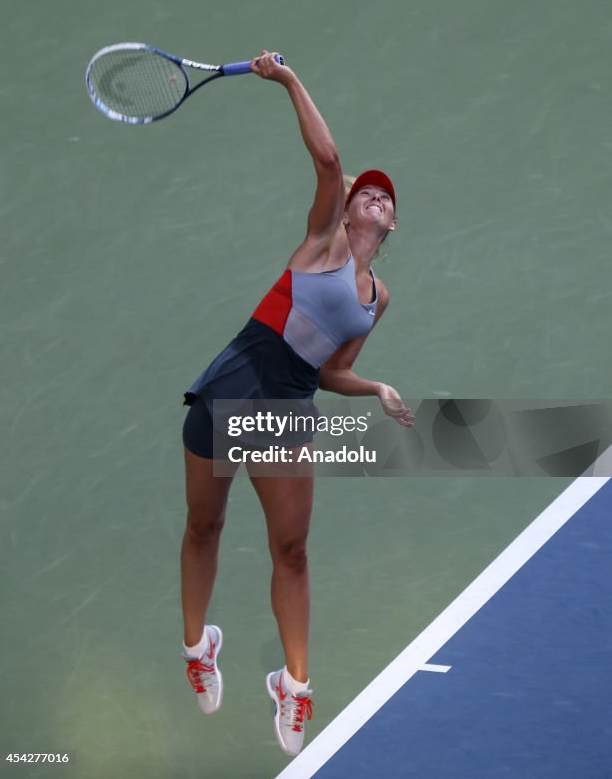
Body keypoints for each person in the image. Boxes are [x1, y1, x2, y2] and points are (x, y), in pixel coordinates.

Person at [180, 50, 413, 757]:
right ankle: (198, 644)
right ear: (344, 208)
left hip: (285, 402)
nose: (375, 197)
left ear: (394, 225)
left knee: (292, 549)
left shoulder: (379, 300)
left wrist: (373, 387)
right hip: (236, 376)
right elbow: (330, 158)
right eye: (364, 192)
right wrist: (285, 79)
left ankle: (296, 684)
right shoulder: (324, 240)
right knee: (204, 525)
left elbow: (331, 370)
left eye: (385, 197)